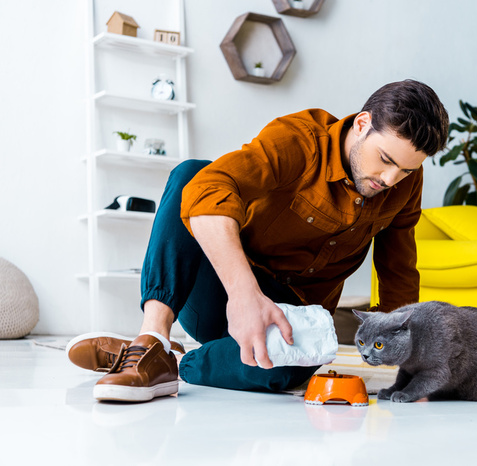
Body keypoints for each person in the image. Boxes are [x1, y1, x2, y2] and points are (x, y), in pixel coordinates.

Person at [66, 79, 450, 402]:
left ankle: (164, 362)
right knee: (193, 175)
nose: (390, 179)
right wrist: (244, 294)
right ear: (363, 124)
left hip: (296, 313)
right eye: (385, 159)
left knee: (284, 371)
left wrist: (414, 366)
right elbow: (208, 188)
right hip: (223, 295)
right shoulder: (300, 139)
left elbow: (398, 269)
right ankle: (152, 336)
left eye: (406, 169)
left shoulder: (404, 182)